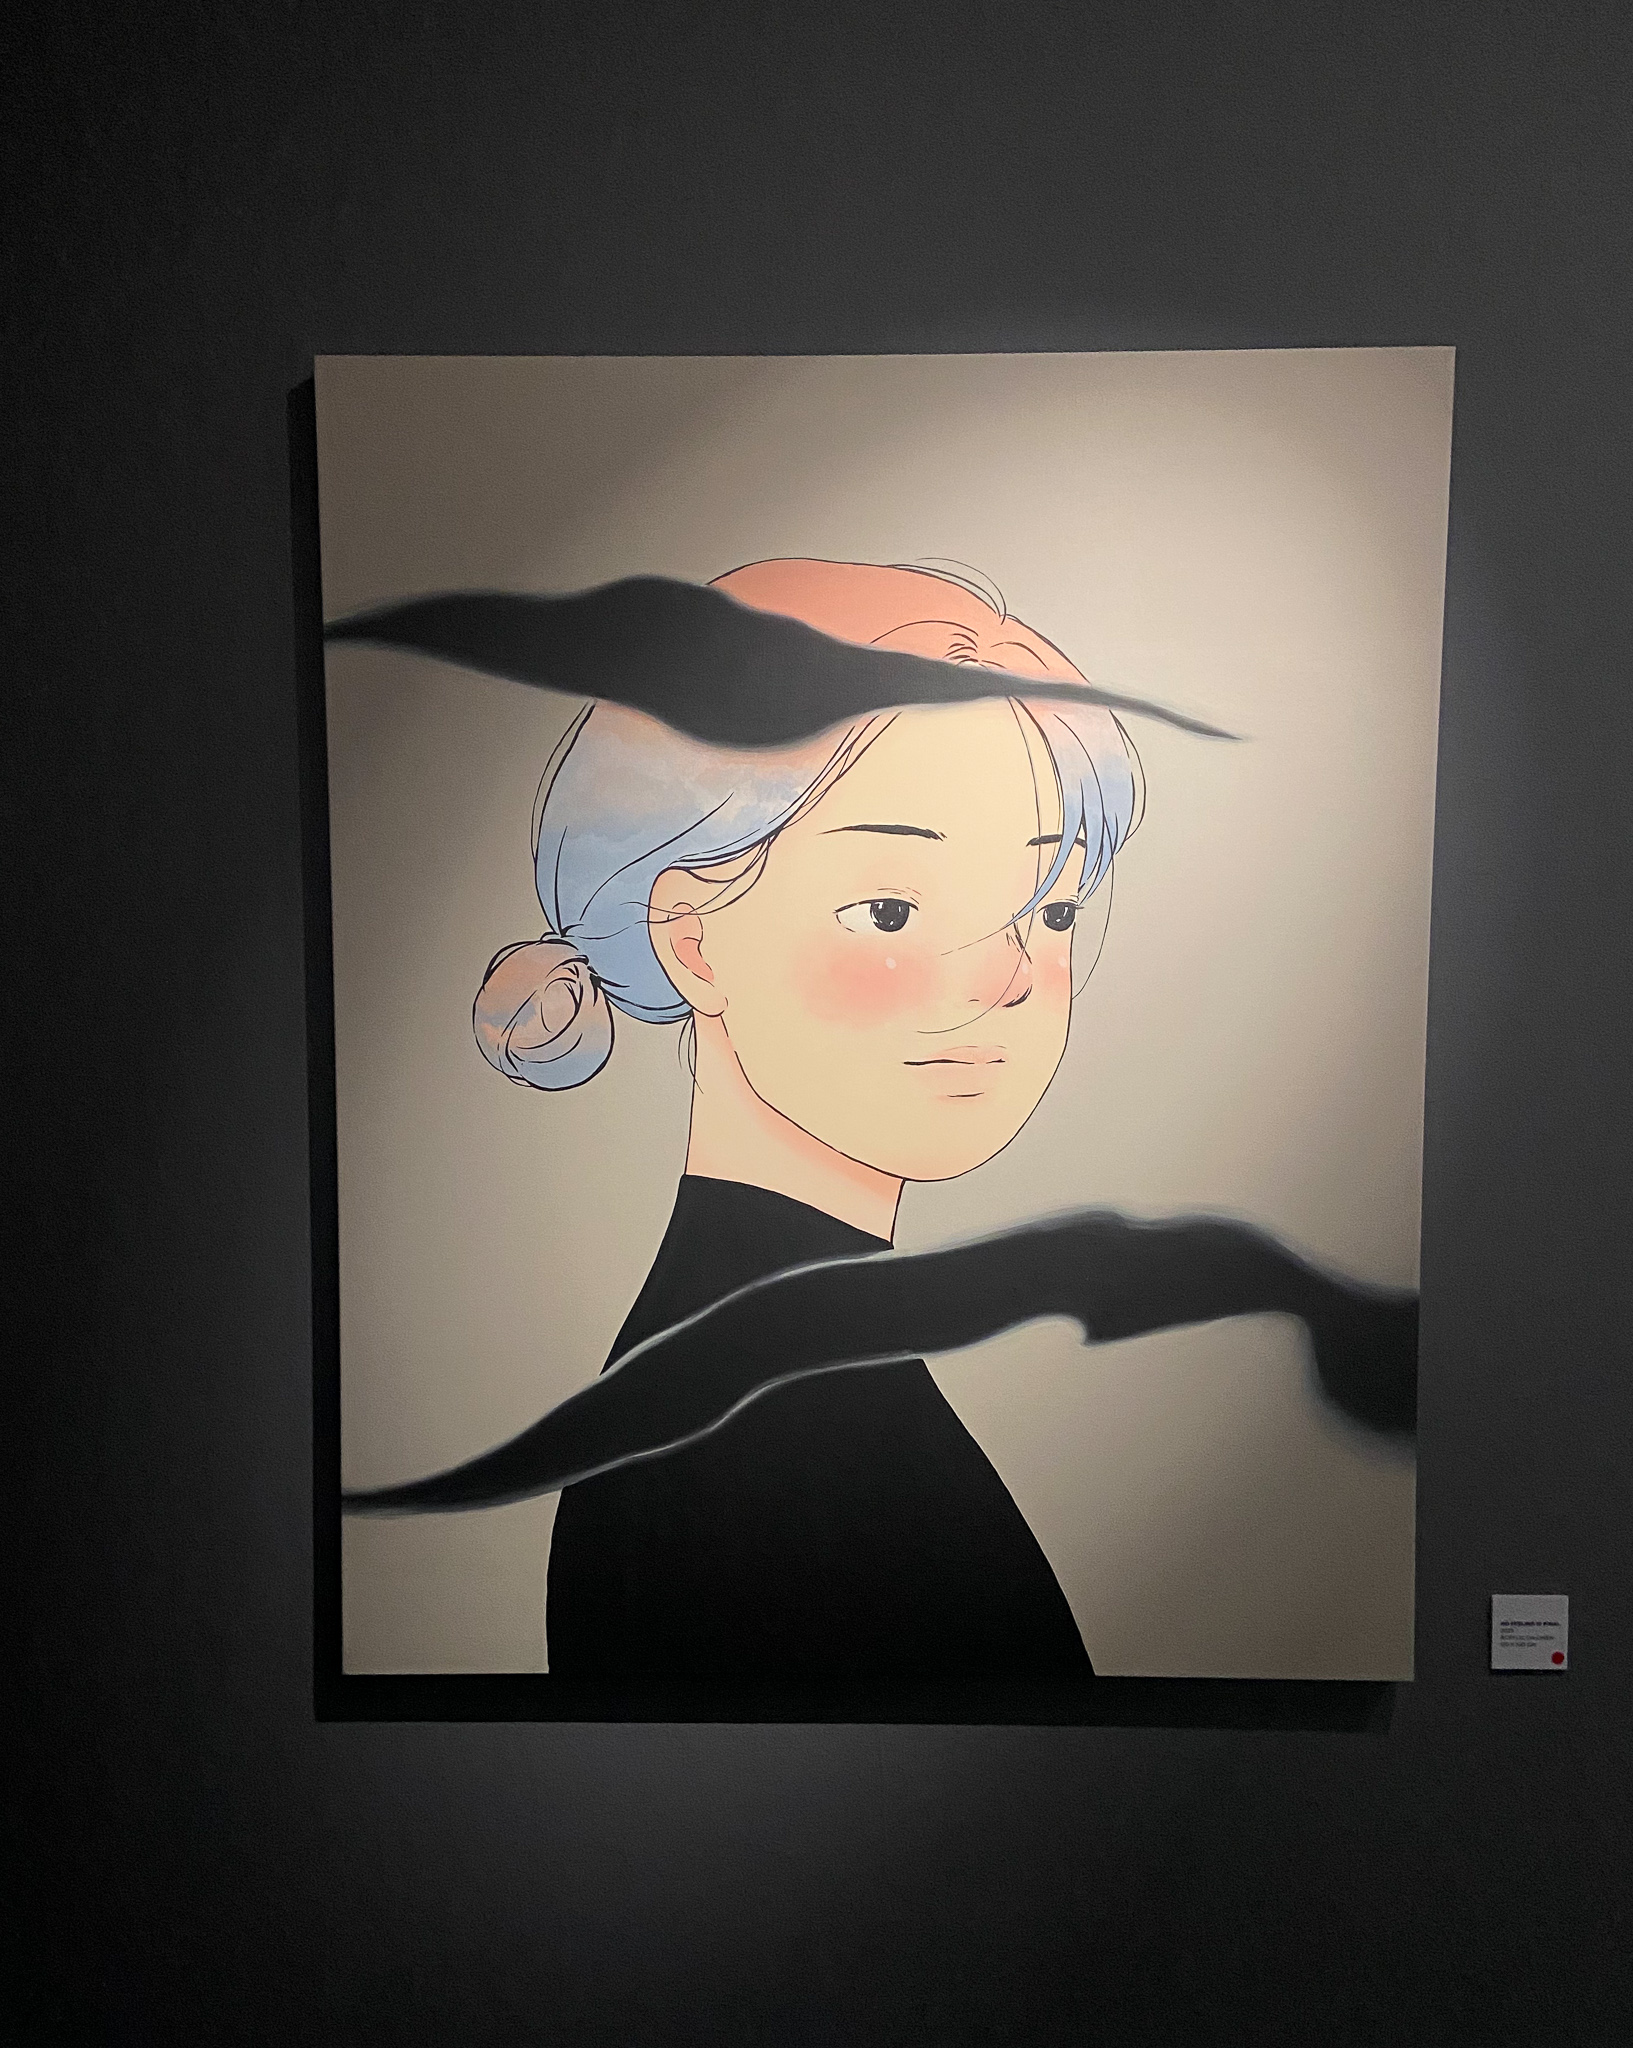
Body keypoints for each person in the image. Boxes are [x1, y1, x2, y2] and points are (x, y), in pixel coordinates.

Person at [333, 558, 1417, 1683]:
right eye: (890, 908)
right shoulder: (747, 1425)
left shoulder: (777, 1376)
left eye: (1049, 908)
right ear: (690, 940)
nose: (1008, 976)